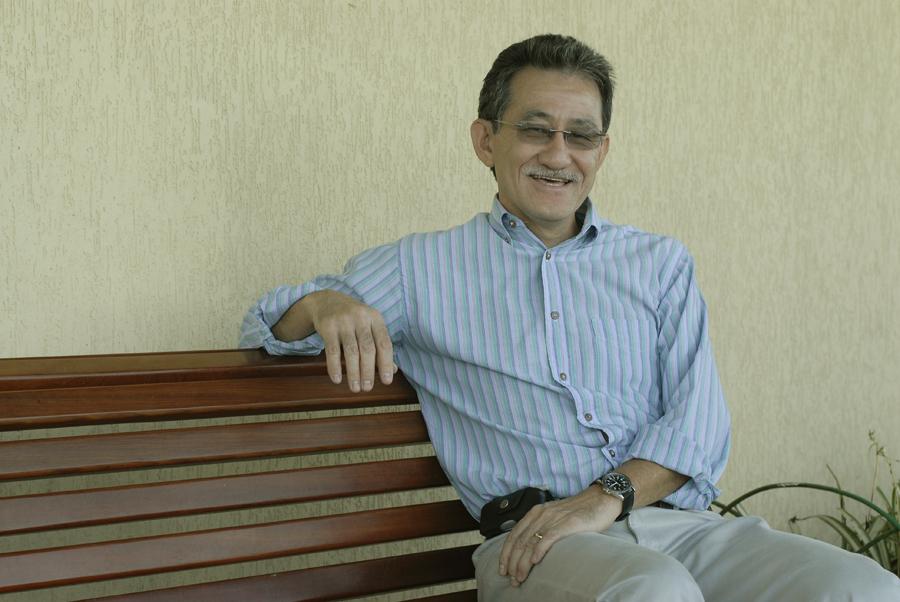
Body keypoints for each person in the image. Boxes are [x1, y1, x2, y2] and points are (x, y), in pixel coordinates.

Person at [241, 34, 899, 601]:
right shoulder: (418, 269)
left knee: (865, 587)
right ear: (485, 140)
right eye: (535, 129)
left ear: (601, 151)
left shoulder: (659, 263)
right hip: (534, 546)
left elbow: (697, 430)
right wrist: (322, 304)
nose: (559, 155)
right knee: (654, 591)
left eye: (580, 135)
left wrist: (602, 497)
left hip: (677, 526)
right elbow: (265, 330)